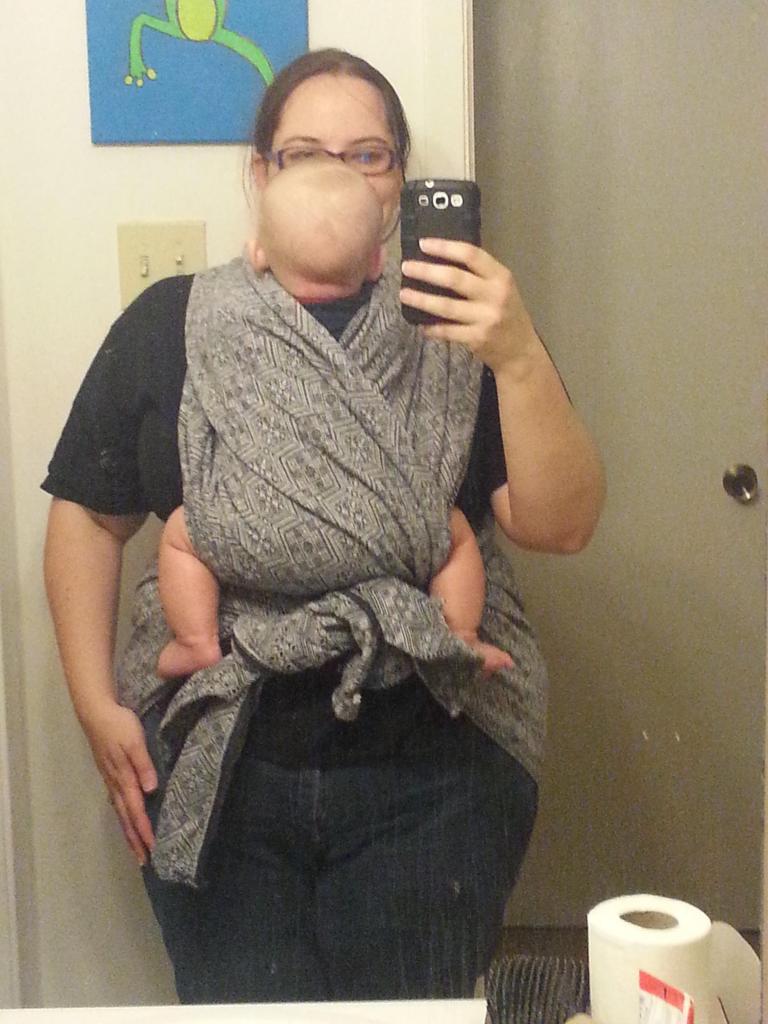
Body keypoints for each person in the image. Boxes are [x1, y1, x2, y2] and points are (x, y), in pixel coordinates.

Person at [42, 49, 605, 1004]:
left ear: (399, 184)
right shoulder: (172, 322)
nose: (338, 172)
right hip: (222, 743)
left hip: (436, 751)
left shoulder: (462, 327)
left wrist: (517, 354)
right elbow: (89, 516)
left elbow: (561, 526)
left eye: (368, 153)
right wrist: (95, 703)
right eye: (304, 152)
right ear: (260, 175)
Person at [157, 159, 513, 682]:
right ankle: (461, 639)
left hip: (253, 533)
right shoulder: (412, 325)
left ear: (258, 254)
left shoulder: (224, 316)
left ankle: (195, 641)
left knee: (181, 534)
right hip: (390, 538)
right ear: (377, 263)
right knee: (456, 538)